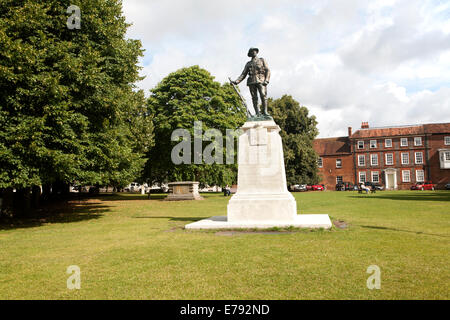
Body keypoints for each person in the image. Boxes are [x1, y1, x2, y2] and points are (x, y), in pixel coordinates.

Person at [232, 48, 271, 117]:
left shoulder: (262, 60)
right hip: (251, 81)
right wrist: (236, 82)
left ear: (256, 52)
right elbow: (243, 74)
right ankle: (257, 113)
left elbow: (268, 70)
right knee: (254, 98)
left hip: (261, 80)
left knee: (263, 95)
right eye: (252, 51)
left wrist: (267, 80)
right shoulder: (248, 64)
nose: (253, 52)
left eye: (254, 51)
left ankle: (265, 112)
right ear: (250, 54)